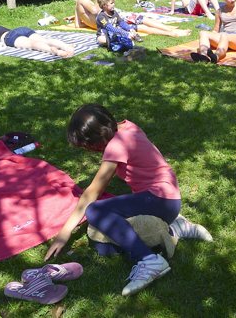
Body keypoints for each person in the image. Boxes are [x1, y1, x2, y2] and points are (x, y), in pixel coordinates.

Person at [45, 104, 212, 297]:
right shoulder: (126, 126)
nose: (88, 150)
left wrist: (65, 233)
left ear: (98, 135)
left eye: (87, 145)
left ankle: (149, 260)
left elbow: (93, 193)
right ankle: (175, 228)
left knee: (95, 211)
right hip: (164, 199)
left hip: (160, 199)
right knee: (104, 248)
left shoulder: (116, 146)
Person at [95, 0, 191, 47]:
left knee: (140, 28)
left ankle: (170, 32)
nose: (114, 4)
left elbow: (121, 22)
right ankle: (124, 41)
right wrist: (125, 34)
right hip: (106, 35)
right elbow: (110, 28)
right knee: (102, 39)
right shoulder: (101, 16)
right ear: (104, 5)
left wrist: (129, 29)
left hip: (116, 33)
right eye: (111, 3)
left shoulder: (114, 12)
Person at [0, 19, 75, 57]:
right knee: (44, 40)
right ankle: (66, 46)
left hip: (9, 37)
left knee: (31, 44)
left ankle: (52, 51)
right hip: (20, 29)